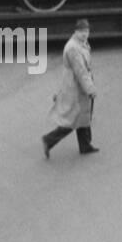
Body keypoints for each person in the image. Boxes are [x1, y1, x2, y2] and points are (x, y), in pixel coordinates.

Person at [42, 18, 98, 158]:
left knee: (83, 116)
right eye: (81, 31)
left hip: (76, 85)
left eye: (86, 31)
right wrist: (90, 89)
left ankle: (85, 145)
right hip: (76, 88)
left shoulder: (81, 44)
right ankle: (49, 140)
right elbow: (81, 71)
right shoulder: (74, 48)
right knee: (74, 119)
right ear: (75, 32)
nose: (84, 34)